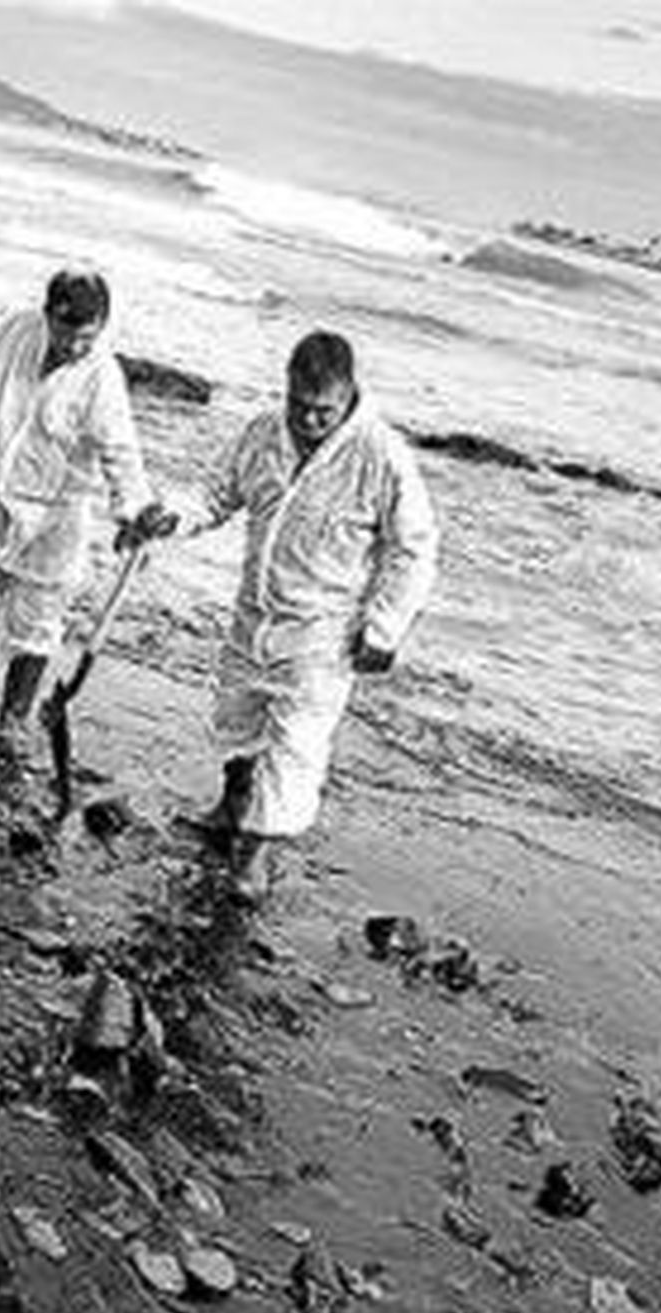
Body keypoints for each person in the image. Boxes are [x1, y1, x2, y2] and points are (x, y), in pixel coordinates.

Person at [172, 329, 439, 904]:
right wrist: (171, 517)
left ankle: (256, 855)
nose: (309, 420)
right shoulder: (263, 434)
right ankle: (232, 807)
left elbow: (413, 549)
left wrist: (385, 627)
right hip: (255, 612)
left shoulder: (382, 455)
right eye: (299, 405)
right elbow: (216, 495)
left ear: (348, 396)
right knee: (236, 715)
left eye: (323, 411)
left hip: (325, 630)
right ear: (287, 387)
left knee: (296, 744)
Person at [0, 268, 171, 748]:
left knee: (38, 620)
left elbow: (121, 455)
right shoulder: (16, 331)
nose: (75, 346)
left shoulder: (103, 378)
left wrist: (135, 512)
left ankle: (14, 717)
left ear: (101, 327)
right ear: (49, 315)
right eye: (67, 333)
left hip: (57, 517)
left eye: (87, 337)